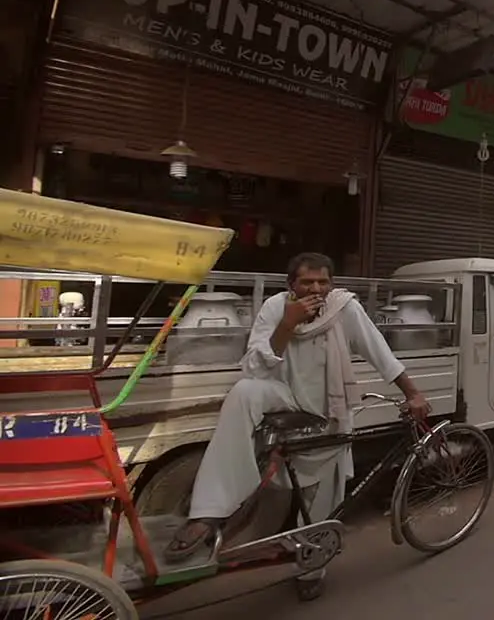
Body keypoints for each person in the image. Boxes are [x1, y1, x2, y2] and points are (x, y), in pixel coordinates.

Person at [164, 252, 431, 600]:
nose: (316, 289)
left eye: (323, 282)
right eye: (307, 282)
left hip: (329, 409)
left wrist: (413, 393)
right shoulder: (276, 308)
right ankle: (208, 512)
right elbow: (255, 366)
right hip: (284, 397)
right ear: (292, 285)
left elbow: (380, 352)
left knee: (321, 501)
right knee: (244, 392)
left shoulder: (344, 308)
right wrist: (287, 325)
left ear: (331, 284)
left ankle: (311, 566)